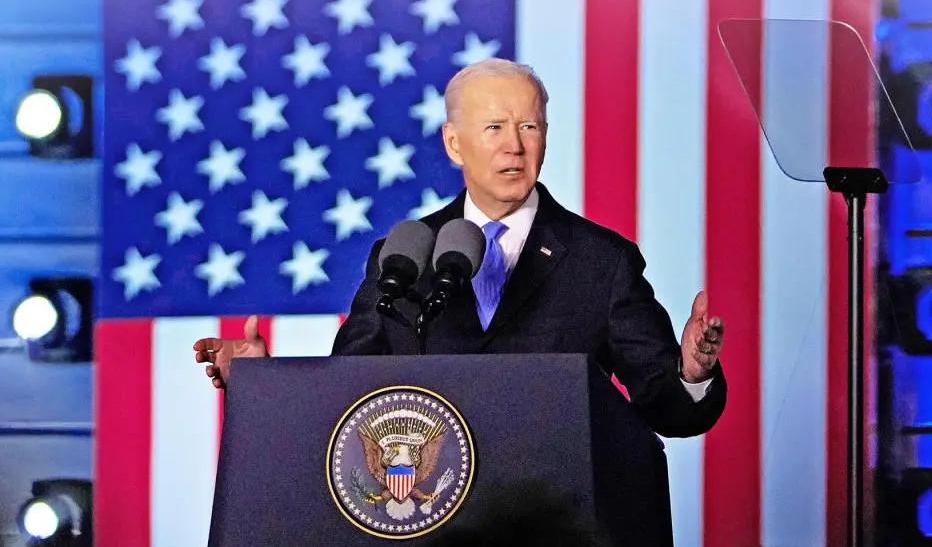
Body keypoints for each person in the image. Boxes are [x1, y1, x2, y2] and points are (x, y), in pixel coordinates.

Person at [193, 58, 726, 542]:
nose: (514, 146)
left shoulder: (601, 260)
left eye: (529, 126)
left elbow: (668, 409)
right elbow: (347, 397)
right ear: (454, 143)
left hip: (556, 526)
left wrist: (693, 373)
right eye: (494, 127)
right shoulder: (402, 256)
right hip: (427, 529)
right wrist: (266, 384)